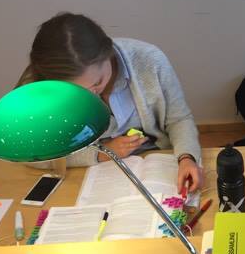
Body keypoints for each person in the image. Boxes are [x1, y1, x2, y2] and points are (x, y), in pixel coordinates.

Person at [17, 12, 202, 193]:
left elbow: (179, 119)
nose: (92, 94)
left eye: (98, 82)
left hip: (156, 160)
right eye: (78, 92)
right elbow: (29, 152)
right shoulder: (39, 88)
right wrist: (100, 153)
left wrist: (187, 157)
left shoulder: (149, 60)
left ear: (109, 53)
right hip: (87, 173)